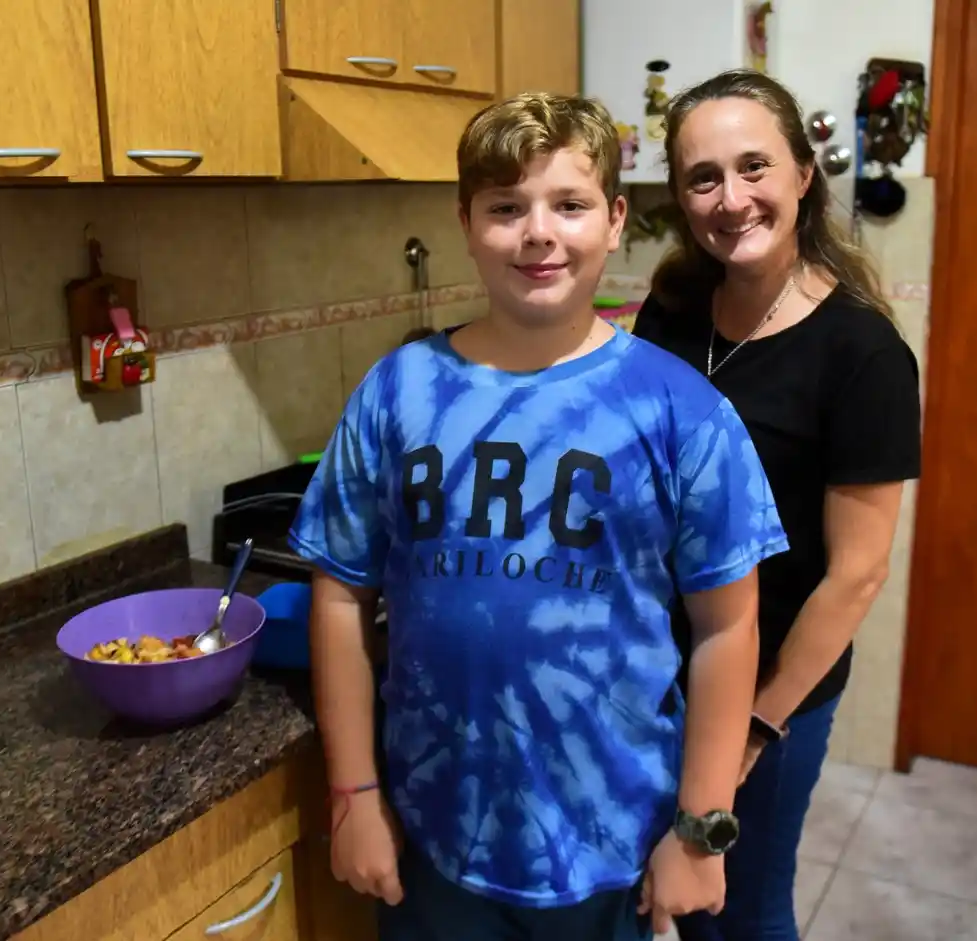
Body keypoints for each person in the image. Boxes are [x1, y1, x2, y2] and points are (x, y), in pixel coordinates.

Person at [288, 91, 792, 941]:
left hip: (610, 843)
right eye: (505, 208)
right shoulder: (397, 391)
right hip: (430, 836)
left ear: (616, 217)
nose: (538, 233)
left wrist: (700, 831)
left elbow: (727, 629)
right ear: (465, 220)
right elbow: (339, 597)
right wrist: (354, 795)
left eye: (569, 204)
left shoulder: (681, 411)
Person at [631, 69, 923, 941]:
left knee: (741, 912)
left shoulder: (861, 353)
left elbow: (857, 575)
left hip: (774, 689)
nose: (732, 198)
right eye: (703, 177)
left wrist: (758, 725)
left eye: (754, 166)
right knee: (668, 895)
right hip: (662, 670)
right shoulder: (676, 310)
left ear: (803, 174)